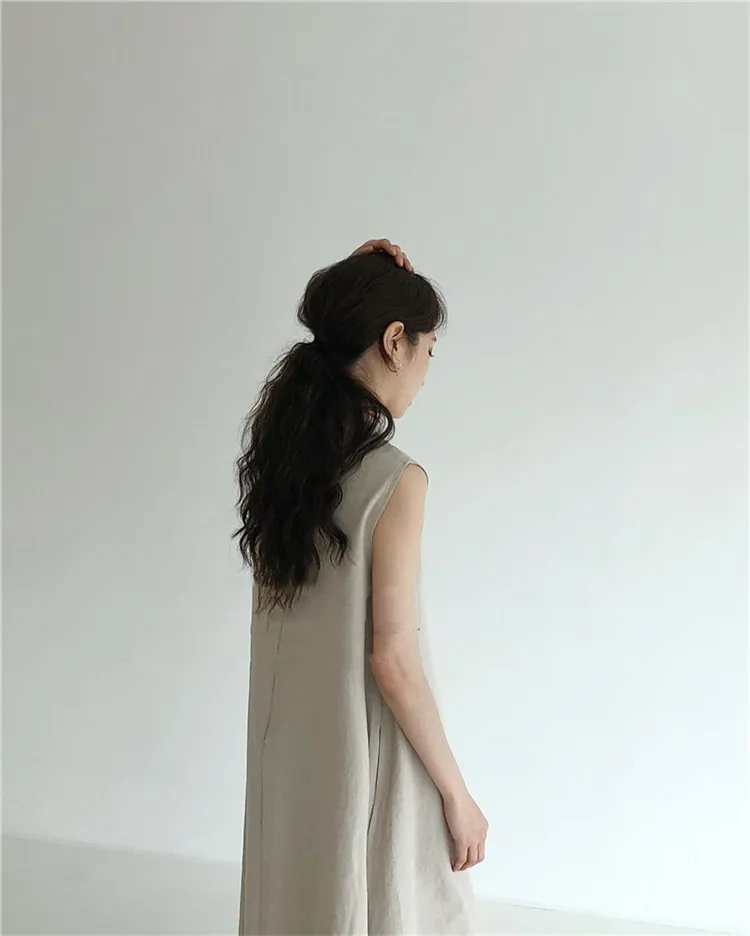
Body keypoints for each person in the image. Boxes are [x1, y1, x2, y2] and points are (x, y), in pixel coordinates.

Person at [235, 239, 488, 935]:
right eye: (428, 350)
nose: (427, 374)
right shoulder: (394, 480)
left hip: (292, 764)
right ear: (394, 341)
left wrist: (353, 291)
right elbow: (393, 660)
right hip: (371, 763)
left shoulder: (285, 474)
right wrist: (458, 795)